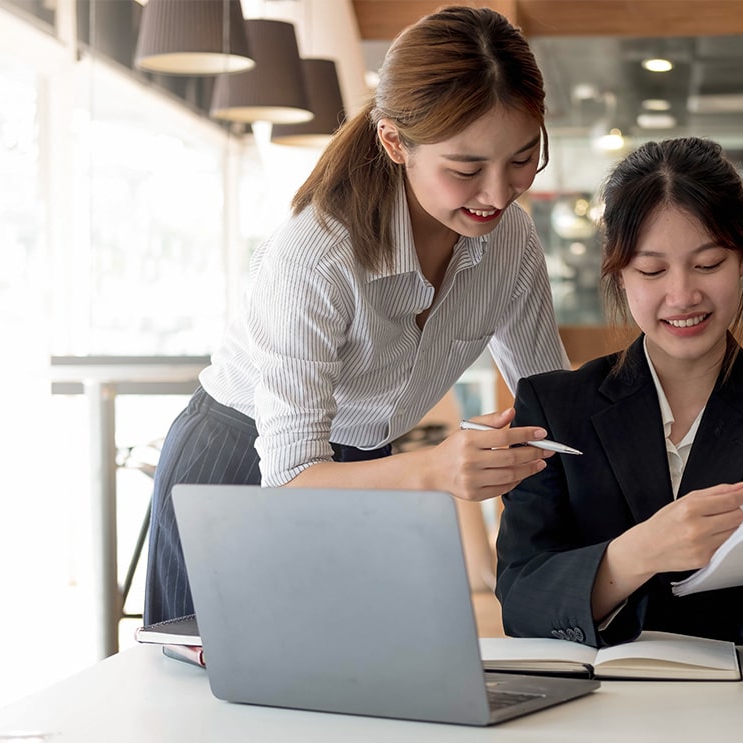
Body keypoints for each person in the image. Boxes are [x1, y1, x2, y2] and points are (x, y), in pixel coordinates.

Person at [144, 6, 570, 625]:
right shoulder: (316, 256)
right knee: (218, 711)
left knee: (358, 698)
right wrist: (437, 468)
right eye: (466, 169)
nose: (499, 194)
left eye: (523, 159)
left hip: (369, 466)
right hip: (239, 471)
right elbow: (288, 481)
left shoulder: (512, 242)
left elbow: (550, 399)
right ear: (395, 141)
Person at [494, 137, 743, 666]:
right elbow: (522, 601)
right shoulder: (553, 408)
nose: (682, 295)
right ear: (618, 275)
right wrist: (641, 551)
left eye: (708, 264)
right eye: (651, 270)